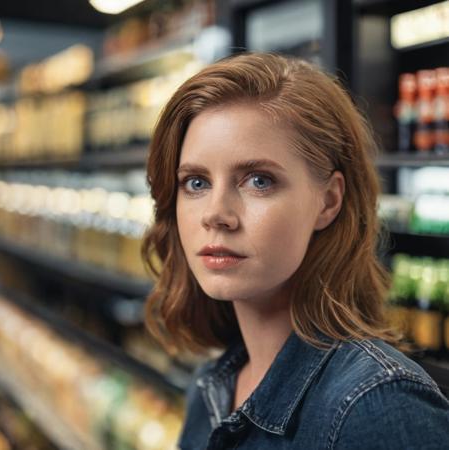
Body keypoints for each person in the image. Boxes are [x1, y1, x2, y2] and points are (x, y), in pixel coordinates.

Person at [142, 53, 449, 449]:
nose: (216, 215)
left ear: (328, 201)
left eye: (258, 180)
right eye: (196, 183)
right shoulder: (211, 386)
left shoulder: (377, 405)